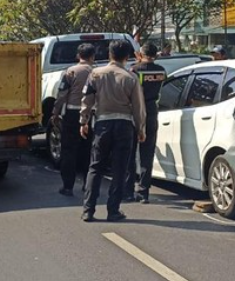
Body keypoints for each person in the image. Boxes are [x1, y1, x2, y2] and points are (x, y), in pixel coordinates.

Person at [80, 41, 146, 222]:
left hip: (102, 124)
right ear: (127, 57)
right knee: (119, 169)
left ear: (109, 55)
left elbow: (87, 99)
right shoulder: (130, 77)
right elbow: (138, 107)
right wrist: (141, 128)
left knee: (95, 167)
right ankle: (113, 210)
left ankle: (88, 210)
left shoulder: (95, 74)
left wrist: (83, 121)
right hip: (124, 126)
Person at [51, 43, 96, 197]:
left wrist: (55, 112)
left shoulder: (70, 72)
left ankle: (67, 186)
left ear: (78, 56)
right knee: (88, 151)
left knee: (69, 151)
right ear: (92, 57)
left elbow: (62, 94)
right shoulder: (97, 73)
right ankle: (87, 184)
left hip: (72, 114)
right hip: (91, 116)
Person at [124, 43, 166, 204]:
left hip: (135, 110)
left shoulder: (135, 70)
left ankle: (128, 190)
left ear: (140, 54)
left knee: (130, 152)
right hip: (152, 110)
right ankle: (143, 192)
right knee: (147, 154)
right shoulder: (161, 70)